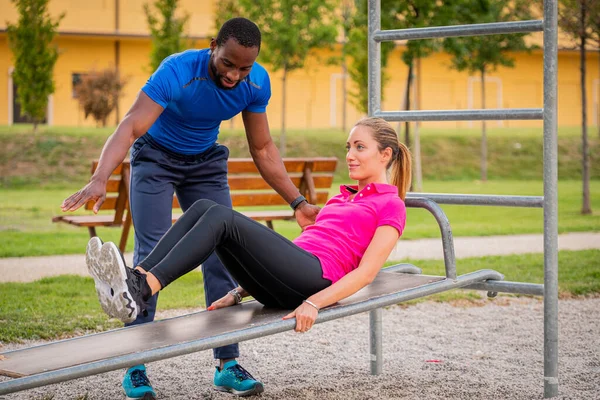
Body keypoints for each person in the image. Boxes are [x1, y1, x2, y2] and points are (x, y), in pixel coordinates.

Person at [61, 17, 320, 400]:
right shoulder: (178, 70)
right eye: (228, 63)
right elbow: (132, 125)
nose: (234, 75)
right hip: (155, 159)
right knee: (151, 251)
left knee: (222, 251)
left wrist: (296, 201)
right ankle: (136, 366)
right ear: (213, 45)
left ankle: (227, 364)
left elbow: (263, 148)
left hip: (205, 164)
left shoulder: (256, 82)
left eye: (244, 67)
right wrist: (102, 175)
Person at [86, 117, 412, 395]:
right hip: (293, 274)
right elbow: (300, 249)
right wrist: (238, 291)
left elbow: (366, 273)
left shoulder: (391, 205)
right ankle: (139, 277)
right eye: (348, 147)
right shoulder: (341, 199)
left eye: (359, 147)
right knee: (203, 208)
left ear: (385, 155)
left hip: (315, 281)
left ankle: (142, 288)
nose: (350, 155)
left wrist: (315, 303)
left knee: (220, 217)